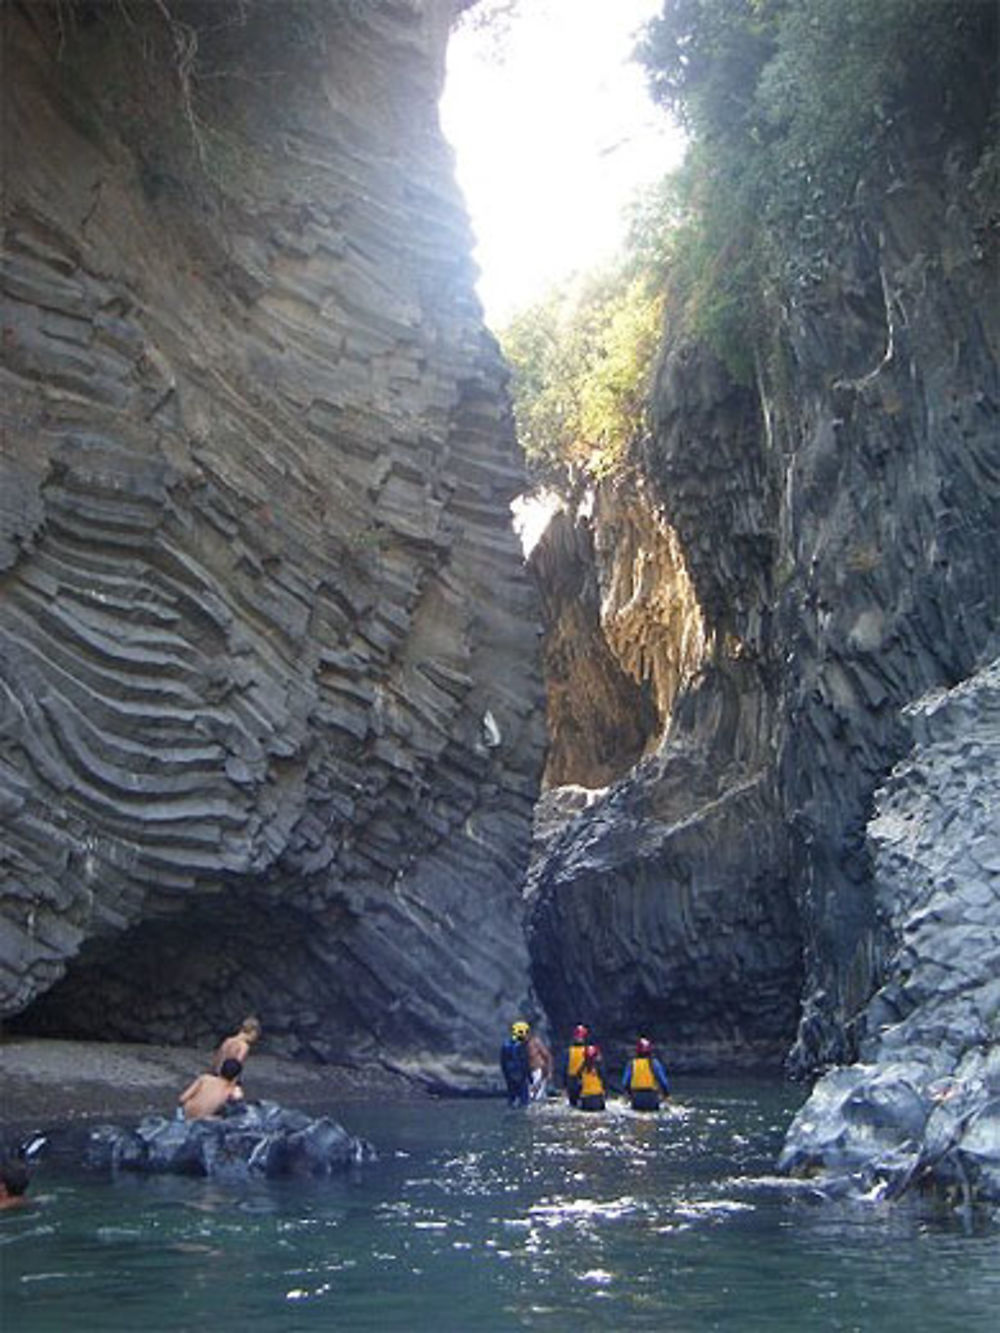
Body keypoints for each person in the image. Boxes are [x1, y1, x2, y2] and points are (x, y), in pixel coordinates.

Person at [179, 1058, 245, 1121]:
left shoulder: (204, 1078)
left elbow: (182, 1098)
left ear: (220, 1070)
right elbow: (238, 1101)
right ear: (236, 1077)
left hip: (184, 1113)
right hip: (201, 1120)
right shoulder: (231, 1090)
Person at [621, 1037, 670, 1111]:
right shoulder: (654, 1063)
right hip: (651, 1097)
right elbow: (663, 1082)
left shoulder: (632, 1064)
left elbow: (625, 1083)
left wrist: (628, 1095)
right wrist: (666, 1094)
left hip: (636, 1097)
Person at [500, 1020, 532, 1107]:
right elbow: (525, 1062)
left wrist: (506, 1075)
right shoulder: (521, 1046)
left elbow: (502, 1062)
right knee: (524, 1098)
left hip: (509, 1074)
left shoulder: (505, 1045)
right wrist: (530, 1077)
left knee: (512, 1096)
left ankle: (511, 1106)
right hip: (520, 1074)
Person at [563, 1023, 590, 1107]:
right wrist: (564, 1084)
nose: (579, 1039)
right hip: (572, 1079)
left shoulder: (588, 1051)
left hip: (583, 1079)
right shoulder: (569, 1051)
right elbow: (564, 1068)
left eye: (581, 1037)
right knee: (573, 1102)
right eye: (578, 1036)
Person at [526, 1027, 554, 1101]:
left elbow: (548, 1056)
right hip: (528, 1073)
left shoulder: (536, 1042)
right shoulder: (521, 1045)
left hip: (538, 1071)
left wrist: (549, 1071)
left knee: (537, 1095)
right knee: (530, 1095)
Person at [577, 1044, 606, 1112]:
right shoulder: (599, 1066)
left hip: (586, 1100)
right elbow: (604, 1080)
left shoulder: (582, 1067)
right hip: (597, 1098)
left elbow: (578, 1081)